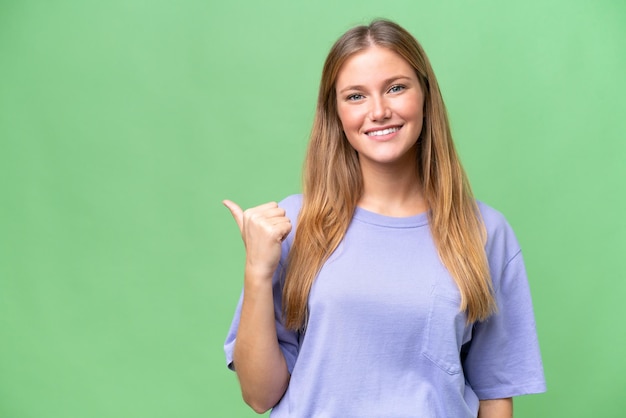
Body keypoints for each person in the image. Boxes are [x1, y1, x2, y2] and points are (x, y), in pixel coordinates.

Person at [223, 19, 546, 417]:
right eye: (356, 96)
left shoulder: (484, 232)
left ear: (425, 95)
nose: (378, 111)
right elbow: (259, 396)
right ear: (336, 113)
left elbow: (496, 394)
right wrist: (256, 271)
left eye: (396, 88)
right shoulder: (293, 223)